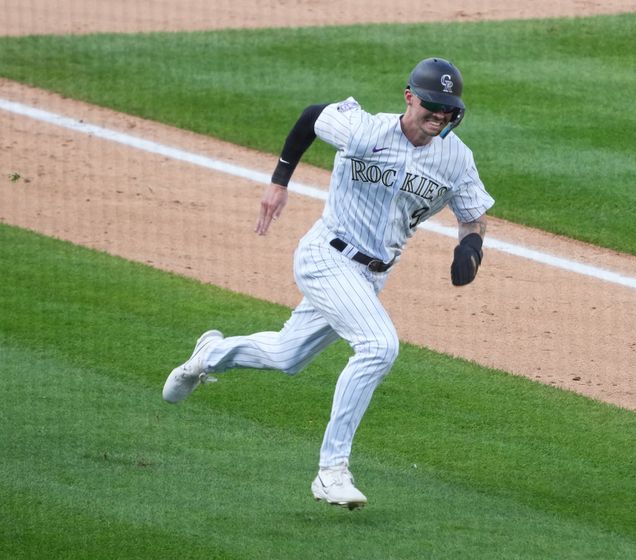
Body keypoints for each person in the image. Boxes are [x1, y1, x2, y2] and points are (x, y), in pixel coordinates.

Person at [162, 57, 495, 509]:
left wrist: (470, 249)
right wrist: (279, 182)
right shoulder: (364, 129)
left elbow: (474, 217)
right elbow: (310, 117)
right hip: (326, 257)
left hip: (372, 275)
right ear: (409, 97)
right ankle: (331, 472)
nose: (439, 117)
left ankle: (210, 356)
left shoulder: (456, 158)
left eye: (448, 110)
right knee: (379, 346)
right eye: (431, 107)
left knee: (287, 355)